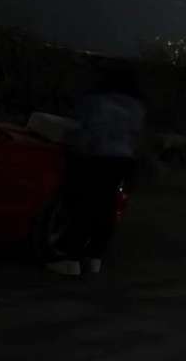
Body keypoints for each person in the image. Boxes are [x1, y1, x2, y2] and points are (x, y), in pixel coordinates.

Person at [45, 64, 145, 276]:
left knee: (82, 207)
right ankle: (94, 258)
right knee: (106, 209)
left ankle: (70, 259)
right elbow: (136, 135)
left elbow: (84, 128)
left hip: (95, 157)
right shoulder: (135, 105)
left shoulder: (97, 100)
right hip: (122, 160)